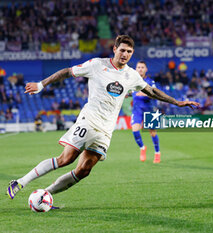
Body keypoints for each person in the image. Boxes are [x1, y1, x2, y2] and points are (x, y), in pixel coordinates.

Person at [7, 35, 199, 204]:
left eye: (129, 51)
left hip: (106, 131)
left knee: (84, 170)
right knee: (66, 159)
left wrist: (177, 102)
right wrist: (41, 84)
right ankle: (20, 182)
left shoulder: (131, 75)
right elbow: (67, 71)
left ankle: (44, 195)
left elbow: (151, 90)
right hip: (88, 120)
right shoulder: (97, 65)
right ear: (115, 49)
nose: (125, 54)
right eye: (122, 50)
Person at [131, 61, 161, 163]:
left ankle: (157, 153)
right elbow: (129, 93)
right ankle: (142, 148)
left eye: (142, 67)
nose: (140, 69)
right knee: (135, 130)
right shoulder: (132, 82)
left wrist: (145, 94)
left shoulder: (150, 82)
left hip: (149, 109)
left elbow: (155, 93)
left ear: (146, 69)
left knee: (152, 132)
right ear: (136, 69)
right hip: (137, 110)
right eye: (138, 67)